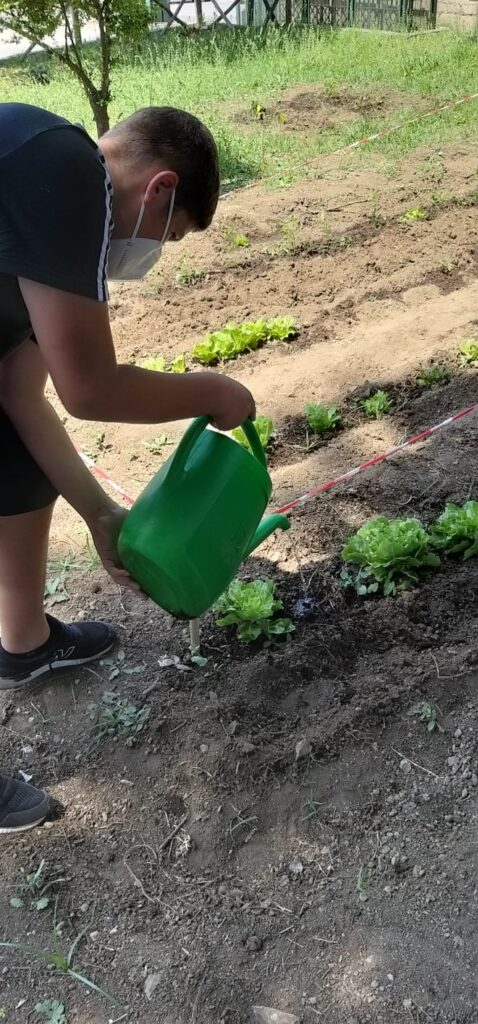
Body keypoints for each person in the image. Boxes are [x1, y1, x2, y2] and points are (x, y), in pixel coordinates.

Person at [0, 102, 255, 824]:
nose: (152, 253)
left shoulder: (40, 222)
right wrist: (214, 390)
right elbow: (90, 389)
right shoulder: (60, 169)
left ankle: (24, 644)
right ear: (160, 188)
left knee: (17, 454)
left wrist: (103, 515)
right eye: (166, 237)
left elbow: (22, 394)